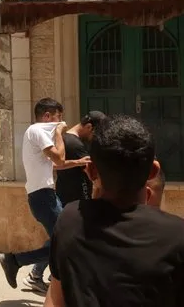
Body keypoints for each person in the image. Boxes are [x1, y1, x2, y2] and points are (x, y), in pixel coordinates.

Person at [44, 115, 184, 307]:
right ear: (153, 171)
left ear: (91, 171)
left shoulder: (70, 220)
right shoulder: (177, 235)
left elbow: (55, 300)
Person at [0, 98, 91, 294]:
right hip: (42, 197)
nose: (60, 121)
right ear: (47, 116)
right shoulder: (37, 131)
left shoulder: (38, 134)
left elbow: (57, 164)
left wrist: (79, 162)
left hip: (46, 195)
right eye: (59, 117)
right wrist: (58, 132)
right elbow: (59, 157)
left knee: (61, 239)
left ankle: (29, 270)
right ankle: (15, 261)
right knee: (66, 240)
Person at [55, 111, 106, 207]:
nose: (96, 137)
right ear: (89, 127)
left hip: (65, 196)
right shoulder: (75, 144)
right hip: (78, 199)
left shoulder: (65, 138)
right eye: (96, 133)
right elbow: (91, 173)